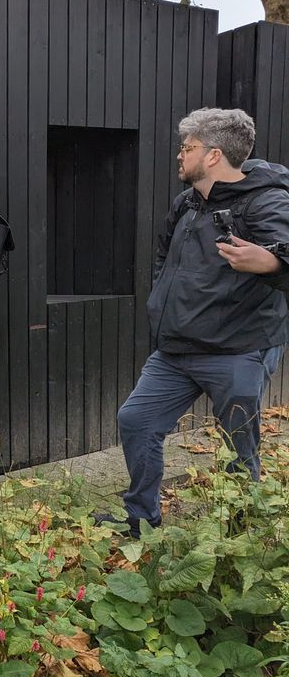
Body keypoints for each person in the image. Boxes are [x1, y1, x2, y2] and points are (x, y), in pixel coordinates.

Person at [101, 108, 289, 538]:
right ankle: (141, 518)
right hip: (176, 348)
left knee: (239, 443)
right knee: (136, 420)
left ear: (213, 155)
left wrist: (272, 260)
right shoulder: (187, 202)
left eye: (187, 147)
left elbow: (284, 253)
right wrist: (159, 298)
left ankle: (242, 534)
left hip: (238, 348)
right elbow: (164, 256)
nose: (179, 156)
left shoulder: (266, 201)